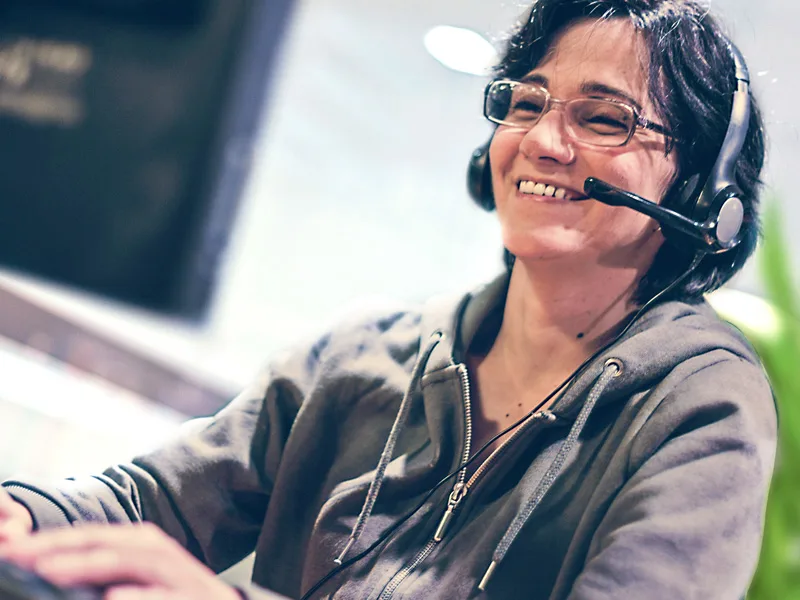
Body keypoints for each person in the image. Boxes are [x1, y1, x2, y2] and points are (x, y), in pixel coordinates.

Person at [0, 0, 778, 598]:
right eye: (527, 102)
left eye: (603, 118)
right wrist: (24, 518)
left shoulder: (701, 408)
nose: (543, 140)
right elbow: (155, 499)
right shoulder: (363, 355)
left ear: (706, 196)